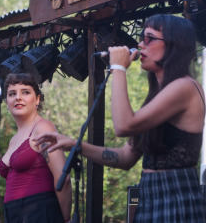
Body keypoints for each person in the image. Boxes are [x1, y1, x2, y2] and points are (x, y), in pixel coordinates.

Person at [33, 14, 206, 222]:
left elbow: (123, 126)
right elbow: (125, 157)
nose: (140, 45)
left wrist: (118, 68)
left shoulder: (185, 87)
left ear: (173, 45)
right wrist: (75, 145)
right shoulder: (159, 95)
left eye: (149, 38)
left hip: (176, 195)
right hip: (150, 195)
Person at [0, 73, 72, 223]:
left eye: (25, 92)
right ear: (7, 102)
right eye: (12, 94)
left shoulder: (43, 127)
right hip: (13, 213)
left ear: (37, 99)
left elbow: (63, 178)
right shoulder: (14, 139)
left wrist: (66, 219)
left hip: (39, 210)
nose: (18, 97)